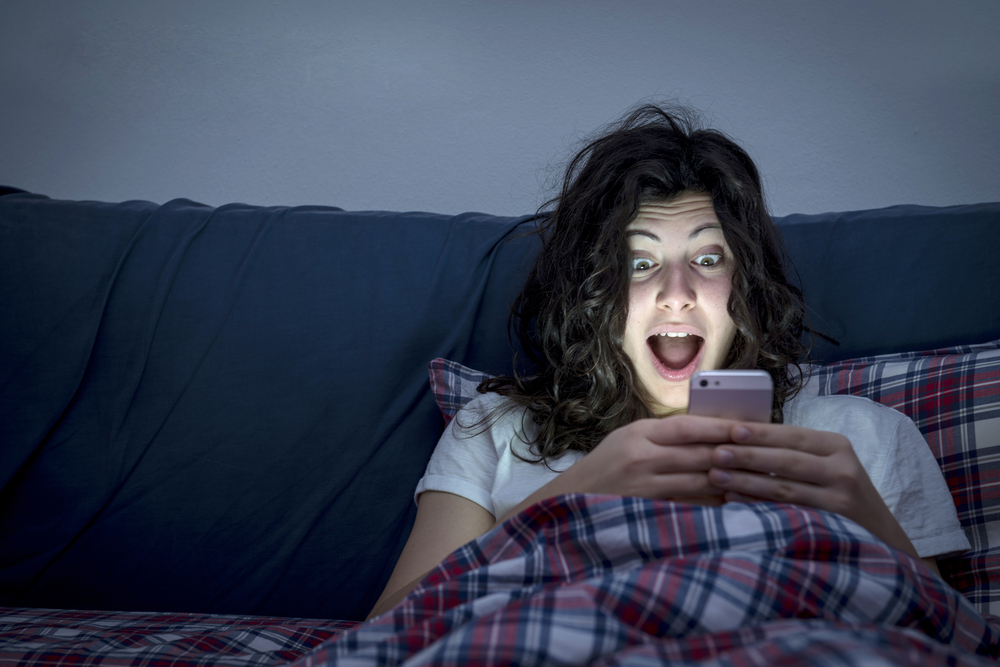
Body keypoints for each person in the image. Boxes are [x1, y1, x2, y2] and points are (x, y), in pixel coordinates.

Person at [367, 104, 969, 619]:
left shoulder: (861, 437)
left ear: (745, 290)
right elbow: (385, 637)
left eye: (708, 260)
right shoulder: (496, 428)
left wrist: (875, 530)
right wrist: (565, 506)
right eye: (638, 262)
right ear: (593, 294)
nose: (675, 291)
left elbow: (951, 648)